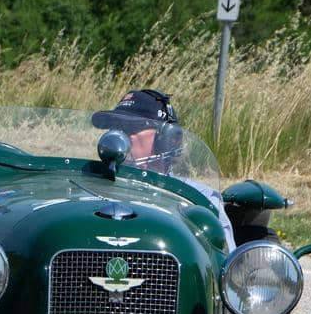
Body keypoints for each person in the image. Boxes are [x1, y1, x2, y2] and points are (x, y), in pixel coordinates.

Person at [91, 88, 235, 250]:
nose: (117, 137)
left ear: (166, 138)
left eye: (131, 128)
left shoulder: (201, 199)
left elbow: (226, 261)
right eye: (115, 128)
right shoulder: (90, 190)